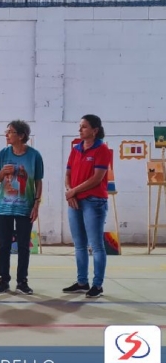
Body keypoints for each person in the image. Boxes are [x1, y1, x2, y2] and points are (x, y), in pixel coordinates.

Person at [0, 120, 43, 295]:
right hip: (4, 207)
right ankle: (3, 280)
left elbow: (38, 181)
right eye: (6, 131)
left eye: (10, 132)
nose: (6, 134)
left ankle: (22, 281)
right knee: (4, 246)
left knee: (23, 246)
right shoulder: (3, 153)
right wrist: (2, 172)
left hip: (25, 207)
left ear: (21, 136)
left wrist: (36, 203)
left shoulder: (34, 156)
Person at [63, 114, 110, 298]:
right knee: (79, 245)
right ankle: (82, 282)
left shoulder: (102, 150)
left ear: (95, 130)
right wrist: (70, 191)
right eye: (80, 126)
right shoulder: (76, 149)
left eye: (84, 126)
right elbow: (68, 174)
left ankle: (97, 285)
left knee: (96, 246)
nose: (80, 129)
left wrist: (73, 191)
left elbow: (97, 178)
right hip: (75, 201)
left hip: (93, 202)